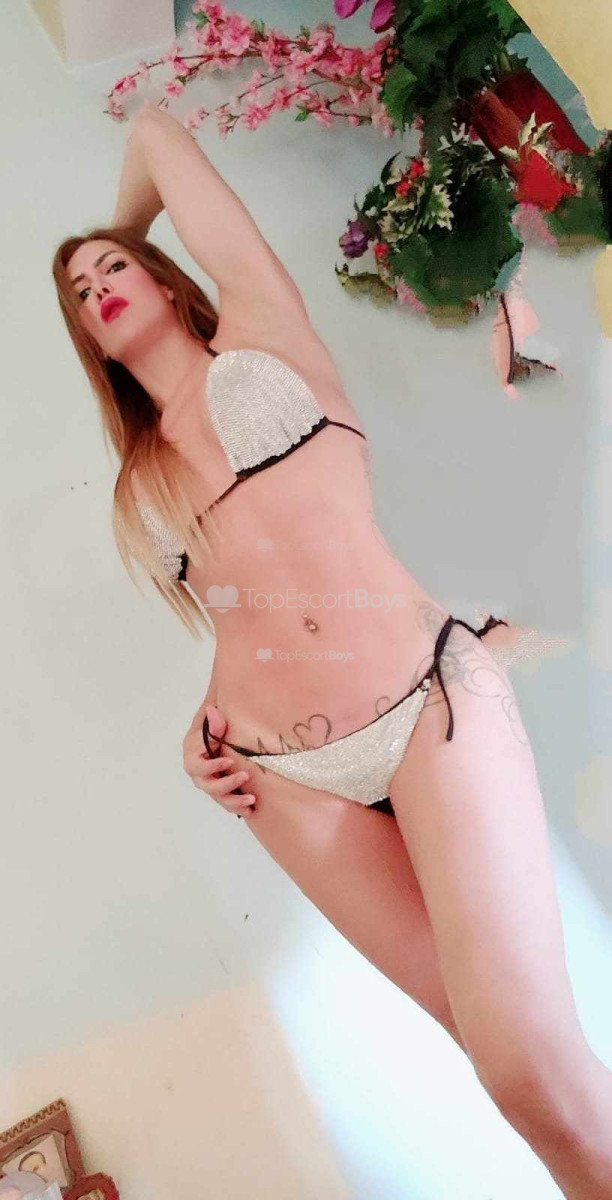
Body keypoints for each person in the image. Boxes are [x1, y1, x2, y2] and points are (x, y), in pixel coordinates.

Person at [53, 104, 612, 1195]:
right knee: (512, 1083)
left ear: (164, 278)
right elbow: (241, 611)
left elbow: (158, 134)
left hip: (428, 697)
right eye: (79, 296)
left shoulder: (261, 329)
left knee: (531, 1061)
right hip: (284, 776)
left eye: (113, 269)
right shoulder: (139, 480)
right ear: (91, 344)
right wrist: (200, 734)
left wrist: (112, 231)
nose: (98, 287)